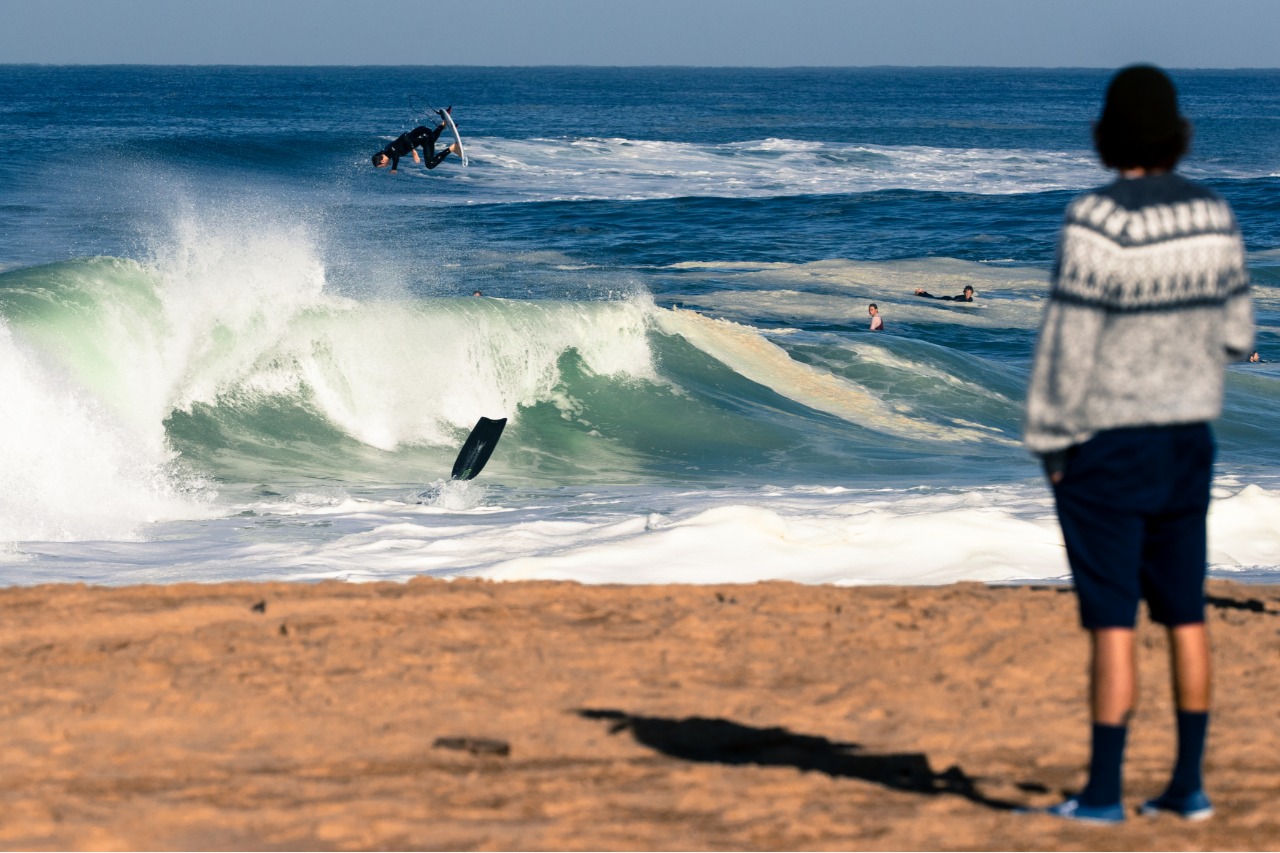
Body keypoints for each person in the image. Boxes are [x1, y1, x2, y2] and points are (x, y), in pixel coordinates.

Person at [1024, 65, 1254, 825]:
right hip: (1189, 439)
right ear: (1178, 134)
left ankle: (1102, 794)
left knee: (1113, 619)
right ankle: (1189, 786)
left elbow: (1067, 345)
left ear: (1106, 134)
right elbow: (1237, 335)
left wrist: (1051, 445)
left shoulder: (1098, 219)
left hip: (1110, 444)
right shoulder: (1214, 213)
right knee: (1187, 613)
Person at [372, 109, 459, 173]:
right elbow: (396, 157)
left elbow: (404, 136)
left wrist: (413, 151)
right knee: (431, 141)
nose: (384, 167)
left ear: (382, 161)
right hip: (422, 133)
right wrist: (394, 169)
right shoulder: (388, 151)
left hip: (424, 136)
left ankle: (452, 148)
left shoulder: (391, 149)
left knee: (430, 164)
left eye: (382, 166)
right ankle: (443, 124)